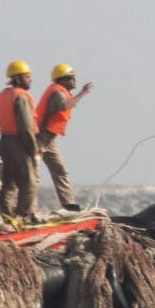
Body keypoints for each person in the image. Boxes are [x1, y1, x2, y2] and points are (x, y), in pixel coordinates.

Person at [35, 63, 95, 212]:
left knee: (60, 170)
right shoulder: (57, 93)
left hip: (49, 140)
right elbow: (64, 106)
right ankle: (27, 210)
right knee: (32, 174)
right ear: (61, 79)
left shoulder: (62, 92)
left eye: (73, 78)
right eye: (70, 78)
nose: (73, 80)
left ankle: (69, 205)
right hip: (39, 138)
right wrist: (82, 94)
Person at [0, 60, 39, 220]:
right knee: (29, 182)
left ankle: (6, 217)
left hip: (5, 142)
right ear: (17, 78)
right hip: (19, 143)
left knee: (9, 182)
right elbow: (26, 126)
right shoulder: (21, 97)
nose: (31, 79)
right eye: (27, 76)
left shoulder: (4, 95)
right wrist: (33, 149)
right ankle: (23, 217)